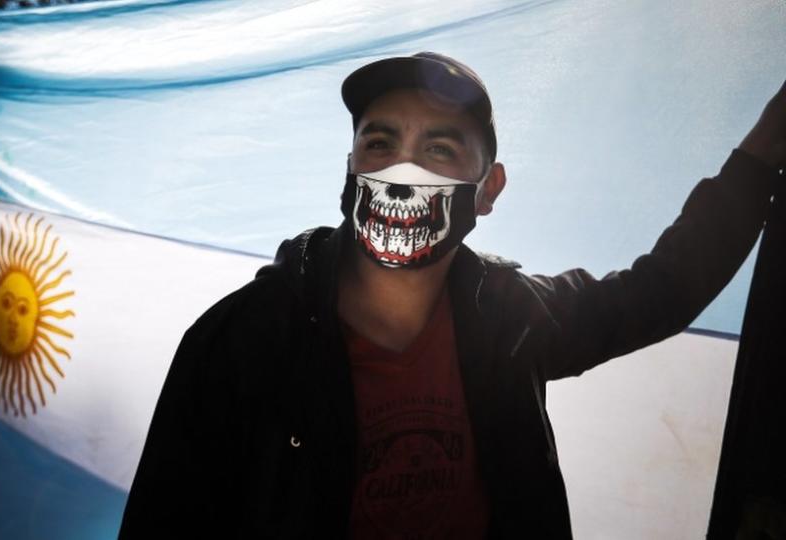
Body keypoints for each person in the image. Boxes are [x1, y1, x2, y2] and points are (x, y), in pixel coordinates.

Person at [119, 52, 785, 539]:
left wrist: (758, 157)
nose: (401, 170)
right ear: (349, 169)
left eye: (438, 150)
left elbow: (660, 290)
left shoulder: (514, 318)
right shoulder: (238, 344)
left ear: (489, 190)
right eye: (379, 142)